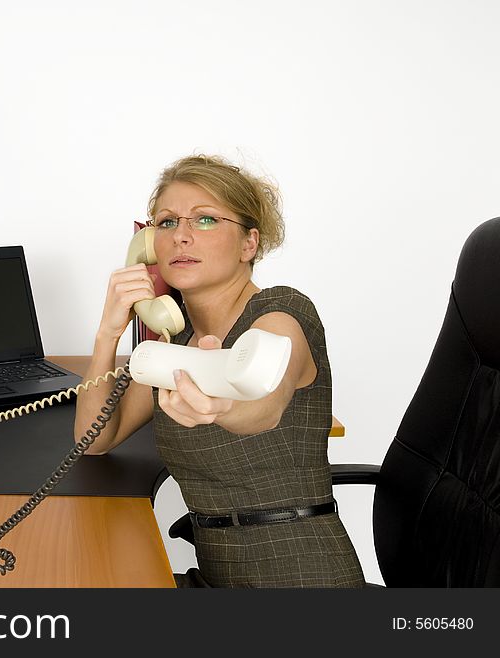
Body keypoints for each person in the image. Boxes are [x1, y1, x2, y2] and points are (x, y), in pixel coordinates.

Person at [74, 154, 365, 588]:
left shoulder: (282, 314)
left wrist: (220, 408)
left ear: (250, 244)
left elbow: (266, 402)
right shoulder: (174, 341)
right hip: (218, 572)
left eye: (206, 220)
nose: (181, 237)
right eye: (167, 223)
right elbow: (95, 438)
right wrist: (107, 333)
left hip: (300, 572)